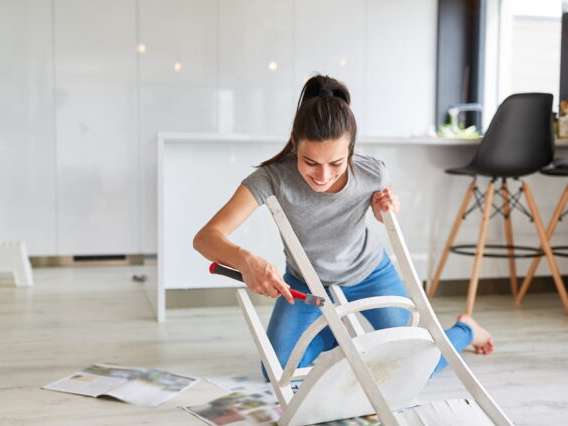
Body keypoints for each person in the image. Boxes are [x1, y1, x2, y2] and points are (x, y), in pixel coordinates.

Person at [193, 74, 494, 379]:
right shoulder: (272, 178)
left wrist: (386, 209)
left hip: (370, 273)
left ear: (350, 148)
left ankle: (466, 329)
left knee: (413, 365)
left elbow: (385, 209)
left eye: (336, 163)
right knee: (277, 370)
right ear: (295, 143)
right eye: (310, 162)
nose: (323, 175)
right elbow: (205, 238)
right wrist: (245, 260)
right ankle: (340, 336)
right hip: (305, 281)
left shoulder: (372, 171)